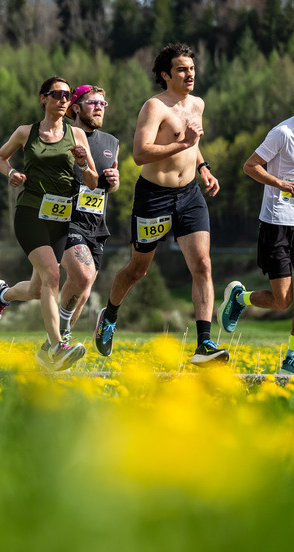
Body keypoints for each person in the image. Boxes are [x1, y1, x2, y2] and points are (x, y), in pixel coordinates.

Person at [95, 43, 229, 364]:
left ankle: (204, 345)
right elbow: (140, 154)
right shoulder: (154, 108)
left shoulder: (197, 103)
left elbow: (192, 143)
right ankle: (110, 317)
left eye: (192, 68)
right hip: (154, 196)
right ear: (165, 75)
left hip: (190, 196)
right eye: (182, 69)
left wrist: (203, 166)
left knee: (203, 265)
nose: (189, 74)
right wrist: (182, 143)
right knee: (137, 270)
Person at [0, 84, 120, 345]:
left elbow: (104, 183)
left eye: (102, 104)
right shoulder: (61, 134)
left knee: (43, 288)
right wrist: (15, 174)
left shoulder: (111, 143)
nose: (99, 108)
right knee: (81, 277)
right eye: (93, 103)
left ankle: (3, 295)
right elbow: (18, 160)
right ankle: (58, 341)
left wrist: (115, 181)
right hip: (64, 219)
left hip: (95, 223)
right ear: (76, 107)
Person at [220, 71, 294, 377]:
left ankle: (291, 357)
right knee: (282, 300)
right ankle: (240, 298)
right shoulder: (282, 133)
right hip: (276, 223)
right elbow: (250, 167)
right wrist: (280, 183)